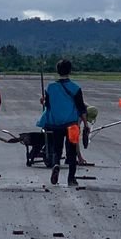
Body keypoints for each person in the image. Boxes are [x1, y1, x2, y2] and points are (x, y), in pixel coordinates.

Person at [37, 59, 89, 187]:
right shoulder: (76, 88)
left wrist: (43, 101)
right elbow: (81, 108)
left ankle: (55, 164)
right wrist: (86, 124)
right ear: (70, 71)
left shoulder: (50, 87)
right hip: (72, 124)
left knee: (57, 149)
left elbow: (48, 105)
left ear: (57, 71)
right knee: (71, 151)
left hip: (55, 124)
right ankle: (71, 179)